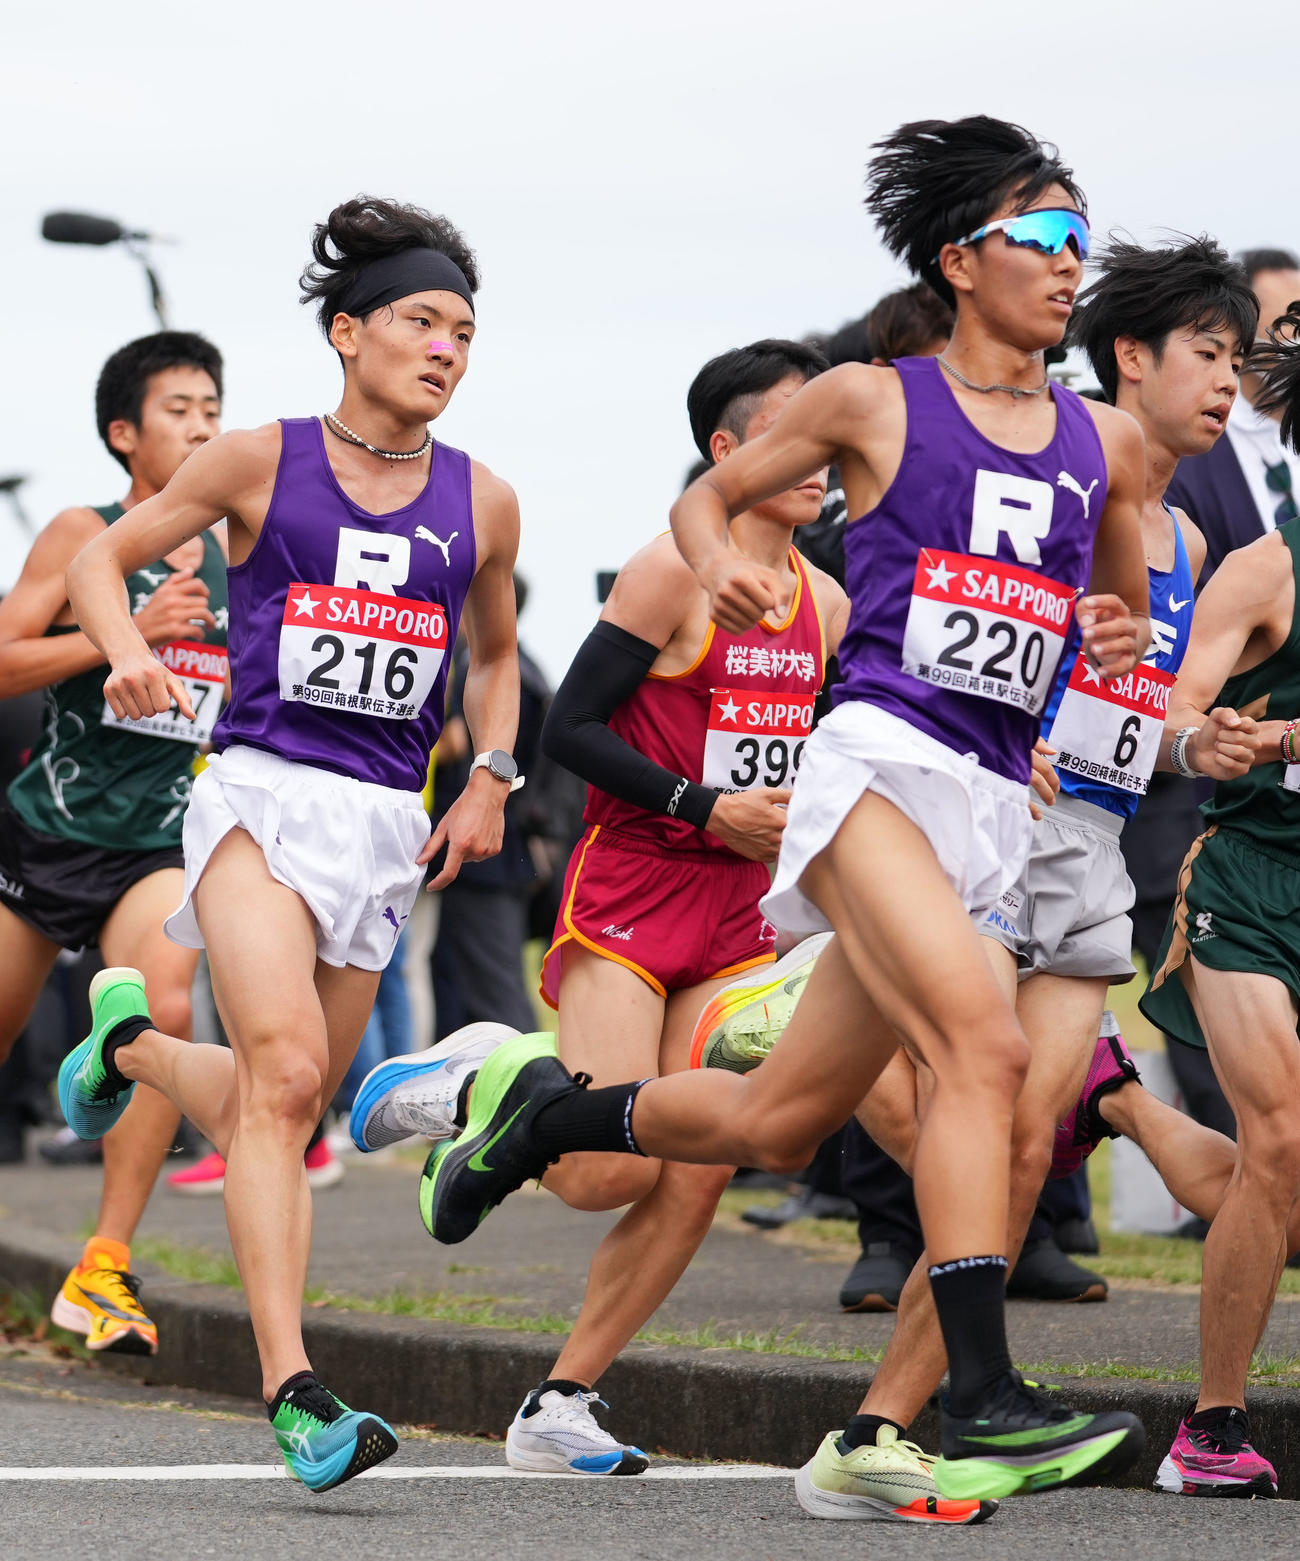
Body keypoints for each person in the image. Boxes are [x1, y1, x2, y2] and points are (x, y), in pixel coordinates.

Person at [417, 116, 1151, 1508]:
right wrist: (724, 568)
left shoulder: (1097, 440)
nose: (1071, 265)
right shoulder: (875, 400)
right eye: (1043, 236)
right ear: (960, 259)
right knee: (981, 1056)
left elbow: (1103, 590)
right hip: (876, 765)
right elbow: (711, 501)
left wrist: (1102, 635)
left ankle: (534, 1115)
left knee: (773, 1119)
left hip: (989, 799)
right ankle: (983, 1399)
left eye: (1080, 239)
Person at [57, 196, 523, 1492]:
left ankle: (132, 1045)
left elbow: (493, 657)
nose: (445, 348)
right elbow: (104, 560)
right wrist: (137, 650)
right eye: (422, 321)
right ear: (347, 332)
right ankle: (295, 1390)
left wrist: (488, 775)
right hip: (262, 791)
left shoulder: (484, 499)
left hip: (382, 820)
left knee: (296, 1096)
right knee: (280, 1076)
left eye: (465, 331)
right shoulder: (260, 461)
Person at [352, 340, 862, 1488]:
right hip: (632, 886)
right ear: (728, 452)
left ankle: (560, 1401)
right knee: (603, 1173)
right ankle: (479, 1074)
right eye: (794, 433)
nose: (821, 461)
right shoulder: (667, 573)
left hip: (741, 907)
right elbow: (564, 735)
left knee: (700, 1153)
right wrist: (704, 804)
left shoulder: (824, 600)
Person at [0, 331, 226, 1351]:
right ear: (124, 433)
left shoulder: (244, 548)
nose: (203, 426)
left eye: (214, 409)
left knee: (163, 1010)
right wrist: (127, 640)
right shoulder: (80, 530)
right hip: (47, 832)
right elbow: (4, 662)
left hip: (158, 842)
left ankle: (104, 1266)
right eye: (180, 409)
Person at [1139, 303, 1300, 1496]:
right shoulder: (1261, 567)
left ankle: (1109, 1102)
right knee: (1278, 1139)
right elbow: (1173, 712)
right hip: (1249, 880)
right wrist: (1223, 738)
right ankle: (1210, 1426)